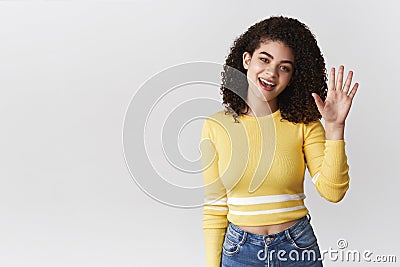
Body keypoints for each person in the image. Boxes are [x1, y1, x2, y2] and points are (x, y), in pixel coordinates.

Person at [199, 16, 359, 267]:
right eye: (264, 59)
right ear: (246, 60)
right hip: (240, 252)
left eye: (284, 67)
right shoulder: (215, 126)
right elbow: (215, 208)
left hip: (297, 248)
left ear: (293, 76)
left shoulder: (304, 123)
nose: (271, 73)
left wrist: (335, 128)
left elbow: (333, 191)